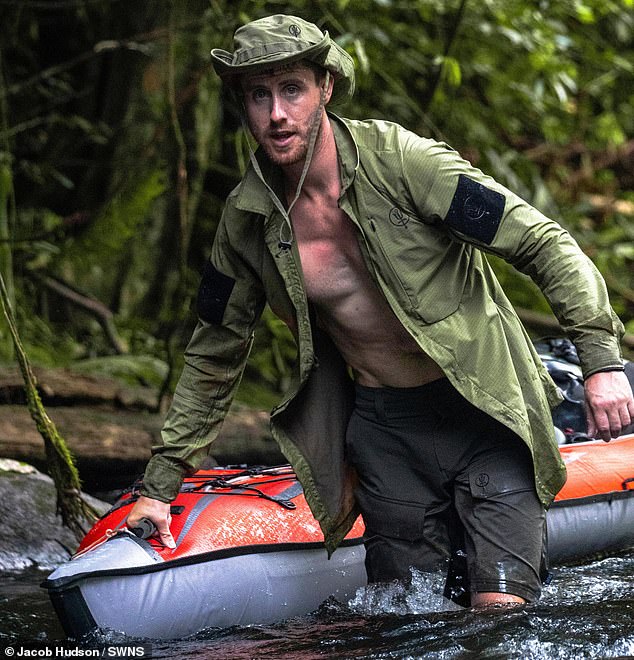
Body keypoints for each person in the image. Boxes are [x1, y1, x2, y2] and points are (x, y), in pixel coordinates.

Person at [127, 14, 634, 608]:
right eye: (258, 95)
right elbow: (214, 351)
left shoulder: (404, 163)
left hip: (482, 414)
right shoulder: (245, 222)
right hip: (385, 433)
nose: (277, 114)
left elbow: (543, 243)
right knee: (409, 625)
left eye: (292, 89)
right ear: (241, 104)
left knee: (494, 622)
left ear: (326, 89)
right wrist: (160, 486)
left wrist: (600, 363)